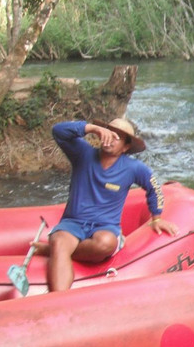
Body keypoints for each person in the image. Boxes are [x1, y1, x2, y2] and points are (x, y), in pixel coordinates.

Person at [41, 118, 177, 292]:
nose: (111, 138)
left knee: (105, 244)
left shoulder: (134, 168)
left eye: (118, 137)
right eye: (110, 132)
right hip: (73, 222)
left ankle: (50, 251)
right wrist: (92, 128)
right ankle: (57, 300)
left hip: (105, 226)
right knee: (60, 241)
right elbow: (58, 131)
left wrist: (156, 217)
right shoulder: (82, 154)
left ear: (126, 147)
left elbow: (154, 188)